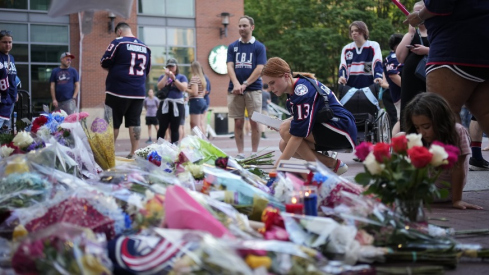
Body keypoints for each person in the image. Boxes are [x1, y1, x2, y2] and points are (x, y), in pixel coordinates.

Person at [404, 1, 489, 139]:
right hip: (482, 36)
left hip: (454, 45)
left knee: (441, 115)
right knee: (486, 113)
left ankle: (454, 160)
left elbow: (440, 4)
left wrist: (420, 16)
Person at [262, 57, 357, 175]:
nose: (270, 88)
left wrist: (275, 169)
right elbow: (305, 117)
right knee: (283, 144)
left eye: (272, 83)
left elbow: (297, 135)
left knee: (287, 130)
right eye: (268, 84)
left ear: (286, 76)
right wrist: (281, 123)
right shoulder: (296, 90)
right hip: (334, 127)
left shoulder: (302, 91)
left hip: (342, 129)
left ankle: (320, 169)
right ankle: (332, 164)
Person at [403, 92, 482, 210]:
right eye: (417, 127)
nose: (421, 133)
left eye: (426, 127)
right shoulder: (420, 137)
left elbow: (458, 168)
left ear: (440, 121)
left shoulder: (457, 131)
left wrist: (457, 200)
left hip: (441, 192)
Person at [101, 22, 151, 159]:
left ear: (119, 32)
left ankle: (109, 153)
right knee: (135, 122)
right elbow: (147, 71)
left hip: (117, 90)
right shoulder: (145, 47)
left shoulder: (119, 42)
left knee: (112, 122)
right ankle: (133, 153)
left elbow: (104, 61)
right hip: (138, 91)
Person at [227, 15, 267, 159]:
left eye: (244, 25)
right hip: (235, 90)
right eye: (240, 26)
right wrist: (237, 84)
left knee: (254, 121)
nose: (242, 28)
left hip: (254, 89)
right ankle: (240, 153)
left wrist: (245, 84)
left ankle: (254, 153)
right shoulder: (232, 47)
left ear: (252, 27)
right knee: (238, 122)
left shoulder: (259, 47)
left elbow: (260, 68)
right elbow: (229, 66)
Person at [396, 1, 429, 131]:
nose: (415, 14)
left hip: (429, 77)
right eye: (413, 11)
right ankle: (409, 136)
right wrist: (410, 33)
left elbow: (444, 51)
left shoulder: (435, 32)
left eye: (419, 10)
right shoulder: (411, 34)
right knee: (409, 107)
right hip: (410, 80)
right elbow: (400, 57)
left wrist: (426, 50)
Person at [338, 21, 383, 88]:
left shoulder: (373, 46)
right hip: (349, 88)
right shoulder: (346, 49)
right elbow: (343, 66)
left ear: (363, 31)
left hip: (369, 87)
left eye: (356, 30)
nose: (353, 33)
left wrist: (378, 76)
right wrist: (342, 77)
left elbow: (377, 62)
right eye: (352, 31)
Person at [156, 58, 188, 144]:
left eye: (172, 66)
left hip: (177, 104)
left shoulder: (181, 77)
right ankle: (159, 146)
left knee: (175, 127)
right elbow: (159, 86)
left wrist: (174, 79)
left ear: (176, 67)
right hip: (165, 104)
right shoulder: (163, 77)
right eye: (169, 66)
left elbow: (184, 88)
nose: (170, 68)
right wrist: (166, 76)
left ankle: (174, 146)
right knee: (162, 127)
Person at [384, 33, 404, 135]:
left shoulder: (394, 56)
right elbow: (393, 75)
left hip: (399, 94)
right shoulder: (393, 57)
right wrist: (408, 87)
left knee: (402, 120)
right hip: (401, 94)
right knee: (402, 120)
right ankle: (395, 146)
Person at [0, 30, 17, 133]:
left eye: (10, 42)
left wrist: (16, 93)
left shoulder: (11, 58)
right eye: (4, 42)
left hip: (10, 100)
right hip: (1, 100)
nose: (8, 45)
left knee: (6, 131)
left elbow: (13, 77)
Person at [187, 61, 207, 134]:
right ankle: (204, 141)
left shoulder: (194, 78)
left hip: (195, 101)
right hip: (202, 101)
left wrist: (185, 89)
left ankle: (199, 143)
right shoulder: (202, 79)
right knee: (200, 124)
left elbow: (194, 92)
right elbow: (203, 92)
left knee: (195, 125)